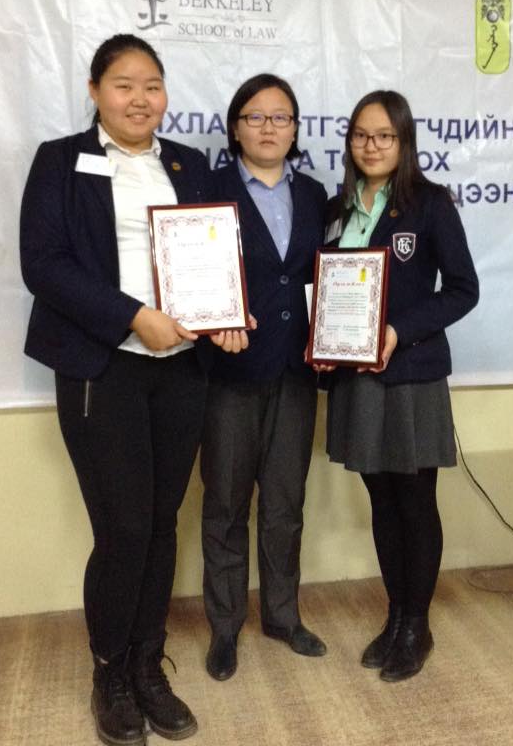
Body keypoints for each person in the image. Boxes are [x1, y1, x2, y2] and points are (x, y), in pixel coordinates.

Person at [20, 34, 248, 746]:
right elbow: (44, 264)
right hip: (104, 367)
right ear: (95, 92)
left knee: (161, 522)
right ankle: (110, 671)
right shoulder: (60, 161)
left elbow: (217, 256)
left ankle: (149, 665)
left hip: (179, 370)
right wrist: (132, 316)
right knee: (123, 528)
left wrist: (225, 315)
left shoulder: (188, 164)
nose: (140, 99)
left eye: (152, 85)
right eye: (124, 84)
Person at [320, 90, 479, 683]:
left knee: (415, 500)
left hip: (410, 373)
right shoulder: (337, 209)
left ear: (404, 141)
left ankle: (417, 624)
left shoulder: (430, 203)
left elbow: (462, 290)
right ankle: (394, 617)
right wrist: (322, 345)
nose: (372, 145)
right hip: (355, 378)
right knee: (381, 500)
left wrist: (397, 331)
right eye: (361, 135)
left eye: (385, 136)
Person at [200, 74, 328, 682]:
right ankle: (225, 627)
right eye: (255, 117)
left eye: (281, 117)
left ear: (295, 129)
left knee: (285, 503)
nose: (269, 127)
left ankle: (282, 616)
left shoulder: (316, 194)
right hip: (230, 370)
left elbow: (325, 275)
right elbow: (192, 273)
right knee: (225, 504)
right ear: (235, 127)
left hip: (297, 370)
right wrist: (211, 322)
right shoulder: (209, 189)